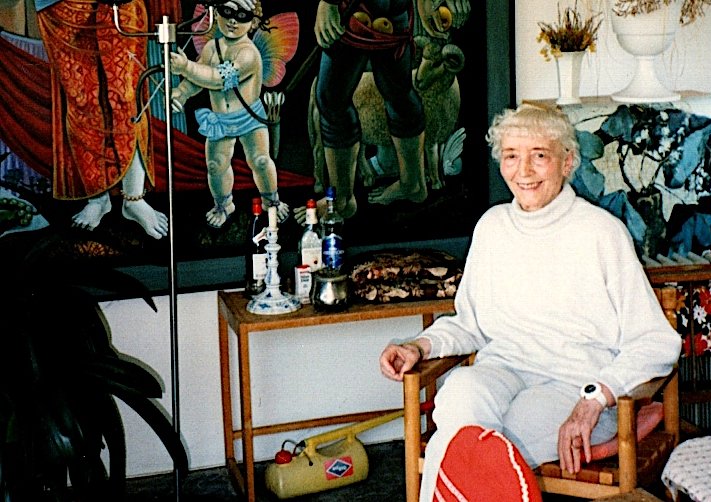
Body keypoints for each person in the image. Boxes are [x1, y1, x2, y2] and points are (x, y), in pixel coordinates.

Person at [379, 104, 682, 502]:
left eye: (539, 155)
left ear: (567, 162)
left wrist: (594, 400)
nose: (523, 171)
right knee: (459, 395)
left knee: (482, 447)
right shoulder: (492, 228)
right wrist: (417, 347)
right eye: (511, 156)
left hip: (574, 386)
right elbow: (470, 323)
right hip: (503, 371)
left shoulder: (602, 233)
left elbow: (657, 342)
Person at [304, 0, 470, 222]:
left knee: (350, 97)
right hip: (363, 14)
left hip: (370, 12)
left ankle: (348, 198)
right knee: (381, 95)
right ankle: (357, 194)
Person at [35, 0, 168, 239]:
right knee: (82, 100)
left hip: (121, 4)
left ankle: (134, 198)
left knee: (126, 94)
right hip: (61, 5)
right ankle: (98, 198)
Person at [170, 0, 289, 228]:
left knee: (260, 160)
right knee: (216, 165)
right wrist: (182, 93)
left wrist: (187, 68)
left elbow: (218, 79)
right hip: (220, 120)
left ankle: (271, 200)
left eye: (242, 15)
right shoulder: (211, 48)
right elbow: (198, 80)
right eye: (227, 12)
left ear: (253, 23)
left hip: (248, 117)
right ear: (217, 15)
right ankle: (223, 205)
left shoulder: (249, 54)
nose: (233, 20)